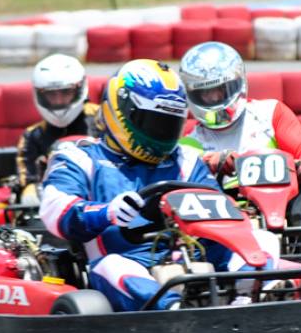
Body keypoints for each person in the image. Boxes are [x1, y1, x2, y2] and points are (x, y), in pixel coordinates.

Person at [39, 59, 281, 312]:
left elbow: (219, 209)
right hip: (127, 260)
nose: (161, 133)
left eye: (169, 124)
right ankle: (173, 310)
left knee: (262, 240)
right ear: (123, 112)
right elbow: (56, 210)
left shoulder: (185, 159)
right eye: (154, 123)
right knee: (113, 266)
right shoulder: (81, 158)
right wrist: (107, 212)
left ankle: (247, 300)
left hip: (194, 256)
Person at [177, 42, 301, 225]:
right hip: (222, 216)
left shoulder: (269, 114)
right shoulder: (189, 144)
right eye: (206, 93)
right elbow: (181, 176)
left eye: (220, 90)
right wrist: (211, 162)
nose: (215, 99)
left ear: (237, 83)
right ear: (193, 95)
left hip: (283, 207)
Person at [15, 53, 99, 189]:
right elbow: (28, 182)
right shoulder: (32, 136)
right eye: (51, 94)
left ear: (79, 89)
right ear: (40, 95)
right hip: (55, 200)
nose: (58, 101)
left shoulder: (103, 120)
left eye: (66, 92)